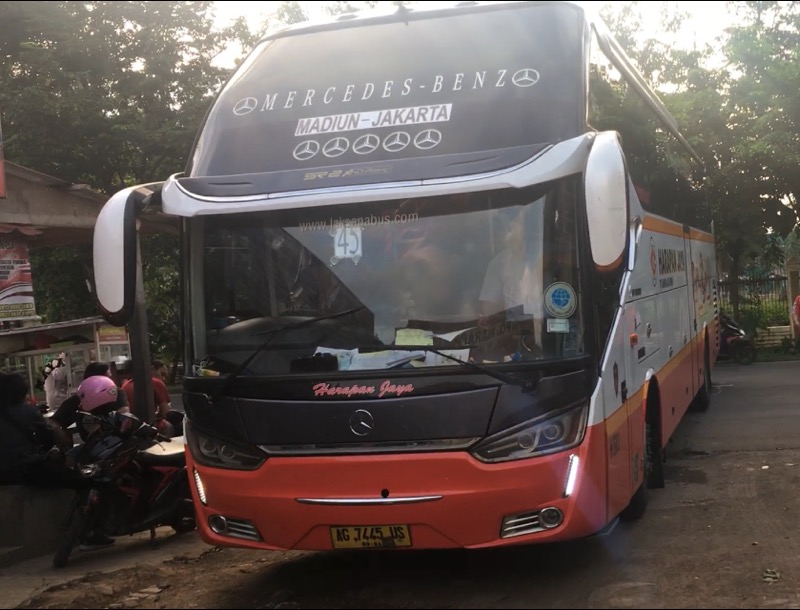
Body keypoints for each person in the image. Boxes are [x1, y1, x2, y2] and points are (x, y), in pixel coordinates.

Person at [51, 361, 130, 445]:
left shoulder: (116, 394)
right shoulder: (79, 398)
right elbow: (54, 422)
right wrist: (63, 438)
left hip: (117, 444)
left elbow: (124, 415)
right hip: (93, 449)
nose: (111, 380)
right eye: (107, 378)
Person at [116, 359, 175, 437]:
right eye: (162, 374)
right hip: (150, 426)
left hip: (131, 427)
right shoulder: (156, 383)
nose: (163, 378)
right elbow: (165, 412)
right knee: (169, 427)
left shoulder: (125, 385)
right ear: (152, 369)